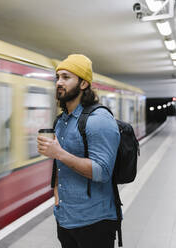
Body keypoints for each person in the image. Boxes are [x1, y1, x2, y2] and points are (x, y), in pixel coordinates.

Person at [37, 54, 120, 248]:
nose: (59, 82)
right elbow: (59, 166)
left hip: (95, 222)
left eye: (66, 77)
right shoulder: (61, 121)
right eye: (58, 77)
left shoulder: (99, 120)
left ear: (83, 84)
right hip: (66, 219)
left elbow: (102, 172)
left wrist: (59, 153)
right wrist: (57, 197)